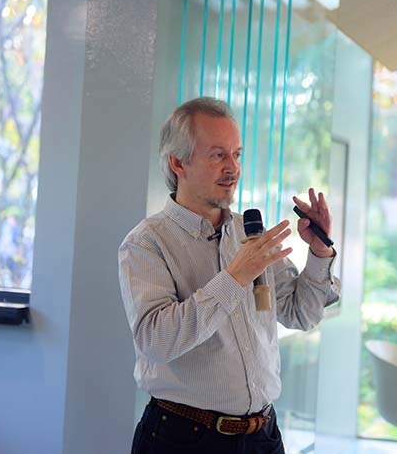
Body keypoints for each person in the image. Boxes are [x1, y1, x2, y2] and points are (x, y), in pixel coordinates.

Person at [118, 97, 341, 454]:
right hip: (183, 440)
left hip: (263, 437)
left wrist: (319, 253)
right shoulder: (146, 243)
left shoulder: (250, 233)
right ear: (179, 163)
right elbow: (156, 341)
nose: (233, 168)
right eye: (218, 155)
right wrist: (234, 278)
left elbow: (301, 314)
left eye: (237, 155)